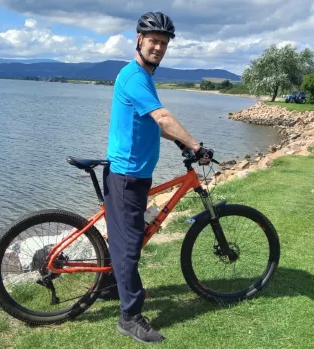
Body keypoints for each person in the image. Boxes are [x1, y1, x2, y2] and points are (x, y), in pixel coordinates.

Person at [101, 11, 214, 344]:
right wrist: (195, 144)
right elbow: (162, 116)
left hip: (134, 174)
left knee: (124, 240)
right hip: (126, 176)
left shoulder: (143, 77)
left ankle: (111, 287)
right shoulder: (135, 77)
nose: (159, 47)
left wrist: (181, 141)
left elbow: (153, 124)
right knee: (129, 247)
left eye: (164, 43)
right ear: (139, 40)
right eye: (153, 41)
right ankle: (130, 317)